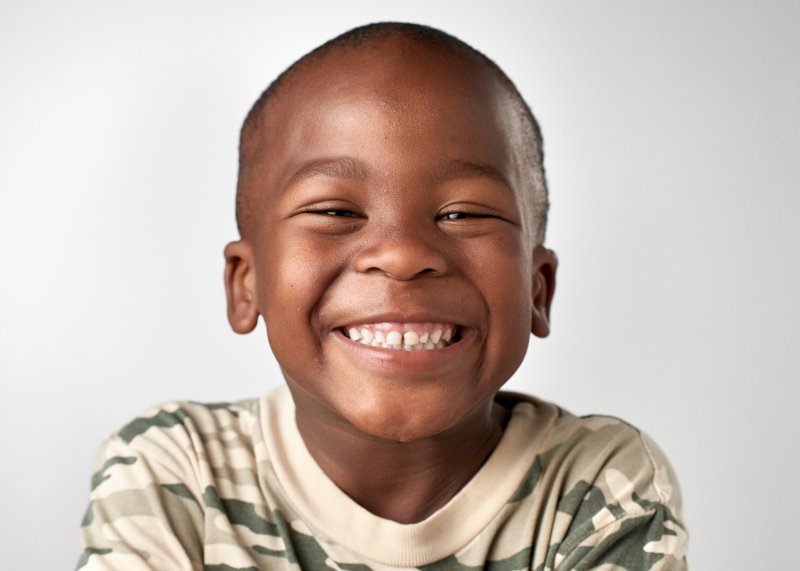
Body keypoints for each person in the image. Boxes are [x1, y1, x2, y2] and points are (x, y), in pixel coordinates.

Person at [76, 22, 688, 570]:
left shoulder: (594, 484)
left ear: (538, 288)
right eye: (336, 210)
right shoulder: (175, 471)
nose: (401, 253)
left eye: (463, 213)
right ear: (247, 283)